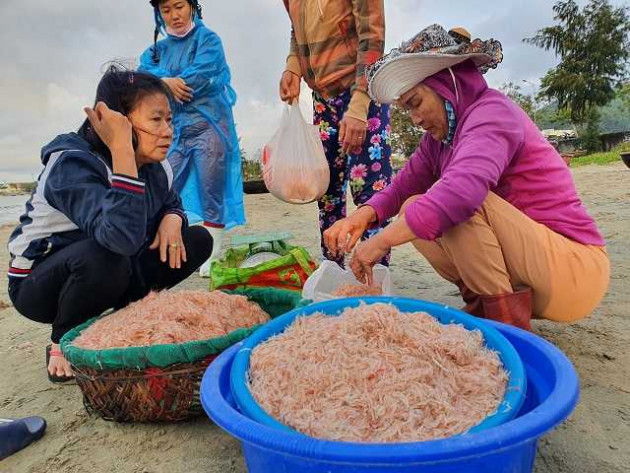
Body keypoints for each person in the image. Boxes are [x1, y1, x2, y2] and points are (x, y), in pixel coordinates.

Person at [324, 24, 610, 330]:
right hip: (536, 273)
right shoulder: (440, 140)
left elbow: (460, 195)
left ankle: (508, 332)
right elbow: (400, 188)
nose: (416, 119)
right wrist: (362, 218)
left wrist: (379, 242)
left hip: (574, 272)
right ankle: (487, 310)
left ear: (448, 84)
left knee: (456, 203)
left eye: (417, 103)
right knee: (412, 206)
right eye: (407, 110)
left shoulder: (491, 113)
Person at [7, 67, 213, 382]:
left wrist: (174, 217)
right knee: (106, 255)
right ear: (116, 123)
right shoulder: (71, 165)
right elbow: (119, 238)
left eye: (169, 120)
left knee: (197, 240)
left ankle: (123, 316)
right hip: (41, 282)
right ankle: (62, 341)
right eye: (155, 120)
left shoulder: (155, 166)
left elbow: (168, 200)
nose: (168, 131)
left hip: (117, 261)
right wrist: (121, 150)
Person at [279, 0, 393, 267]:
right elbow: (297, 32)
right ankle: (334, 269)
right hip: (323, 98)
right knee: (327, 192)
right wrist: (292, 68)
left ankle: (375, 272)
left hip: (363, 94)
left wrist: (360, 104)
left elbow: (372, 37)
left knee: (371, 192)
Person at [139, 0, 245, 275]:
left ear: (192, 7)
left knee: (211, 189)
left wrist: (164, 83)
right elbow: (141, 73)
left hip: (210, 125)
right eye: (166, 10)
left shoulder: (208, 40)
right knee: (163, 185)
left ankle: (211, 252)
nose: (174, 16)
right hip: (174, 130)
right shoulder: (157, 51)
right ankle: (159, 243)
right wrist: (164, 82)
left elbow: (198, 77)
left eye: (179, 7)